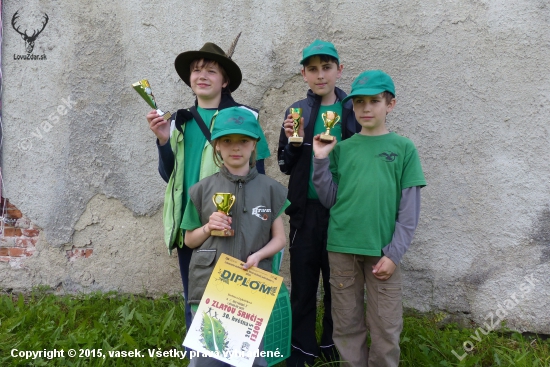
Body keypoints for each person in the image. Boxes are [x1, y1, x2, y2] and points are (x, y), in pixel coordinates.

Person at [146, 40, 271, 335]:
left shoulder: (246, 118)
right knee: (197, 302)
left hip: (232, 229)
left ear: (224, 80)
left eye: (211, 70)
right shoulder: (179, 121)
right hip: (192, 228)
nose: (202, 75)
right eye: (196, 70)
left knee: (235, 308)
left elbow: (260, 179)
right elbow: (170, 176)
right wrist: (164, 140)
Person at [312, 70, 427, 367]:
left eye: (374, 101)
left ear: (390, 104)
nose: (365, 108)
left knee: (386, 325)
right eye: (359, 102)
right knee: (347, 323)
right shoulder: (344, 149)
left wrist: (394, 253)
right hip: (342, 248)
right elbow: (329, 199)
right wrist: (321, 159)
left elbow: (409, 211)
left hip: (382, 253)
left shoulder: (403, 149)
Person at [181, 107, 289, 367]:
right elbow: (189, 240)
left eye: (243, 141)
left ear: (254, 145)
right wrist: (207, 228)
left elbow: (280, 239)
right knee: (208, 358)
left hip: (251, 289)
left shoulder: (271, 189)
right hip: (211, 287)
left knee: (251, 358)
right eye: (227, 141)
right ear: (216, 146)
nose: (235, 147)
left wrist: (259, 256)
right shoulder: (201, 190)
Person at [276, 39, 360, 367]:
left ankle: (332, 348)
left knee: (339, 287)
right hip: (304, 213)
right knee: (304, 284)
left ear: (339, 70)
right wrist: (292, 142)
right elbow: (285, 164)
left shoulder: (352, 109)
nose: (320, 75)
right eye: (313, 69)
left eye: (327, 67)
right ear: (303, 73)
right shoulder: (297, 111)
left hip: (340, 211)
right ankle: (302, 351)